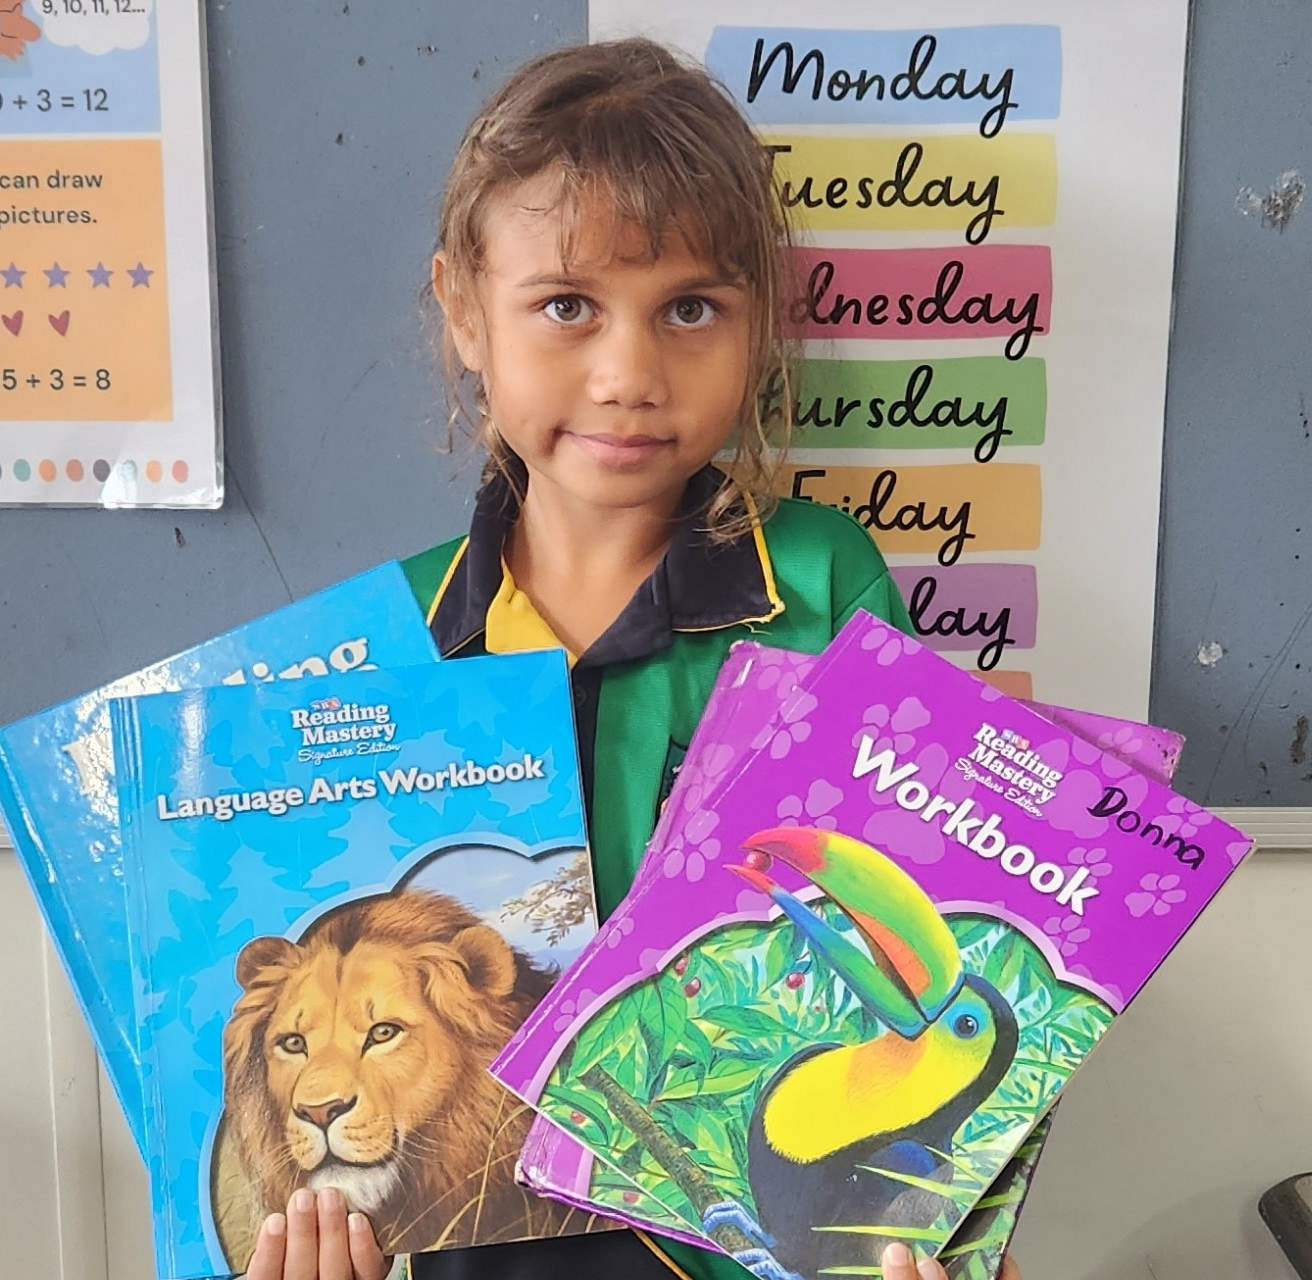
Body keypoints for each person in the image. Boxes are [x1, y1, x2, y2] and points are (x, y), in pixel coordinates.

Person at [244, 35, 1023, 1280]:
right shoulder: (373, 646)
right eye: (565, 306)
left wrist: (942, 1235)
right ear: (460, 309)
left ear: (757, 317)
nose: (626, 373)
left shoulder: (821, 584)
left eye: (690, 308)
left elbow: (948, 936)